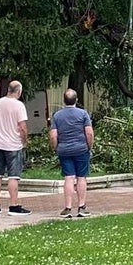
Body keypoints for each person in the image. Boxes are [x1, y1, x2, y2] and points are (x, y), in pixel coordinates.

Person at [50, 89, 94, 218]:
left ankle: (68, 208)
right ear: (77, 100)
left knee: (68, 177)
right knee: (81, 177)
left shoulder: (57, 116)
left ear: (64, 100)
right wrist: (88, 146)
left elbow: (53, 135)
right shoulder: (83, 114)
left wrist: (56, 147)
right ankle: (81, 207)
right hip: (81, 149)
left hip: (64, 150)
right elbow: (89, 133)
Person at [0, 80, 31, 216]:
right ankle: (13, 206)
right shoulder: (18, 105)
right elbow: (22, 127)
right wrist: (24, 141)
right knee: (13, 176)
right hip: (13, 145)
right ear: (19, 91)